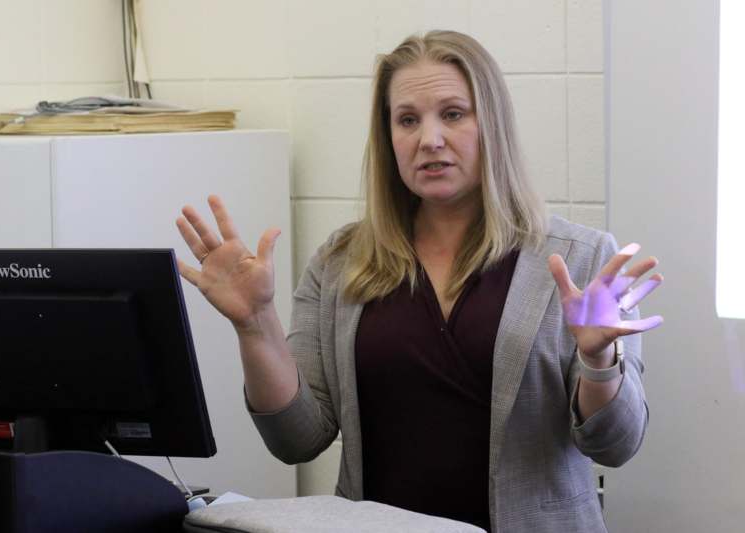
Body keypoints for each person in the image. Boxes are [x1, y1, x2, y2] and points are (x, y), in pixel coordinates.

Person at [175, 30, 663, 533]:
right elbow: (297, 439)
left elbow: (616, 445)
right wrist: (255, 326)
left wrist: (599, 360)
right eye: (407, 119)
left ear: (491, 123)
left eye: (453, 114)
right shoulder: (342, 261)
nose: (429, 139)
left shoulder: (579, 261)